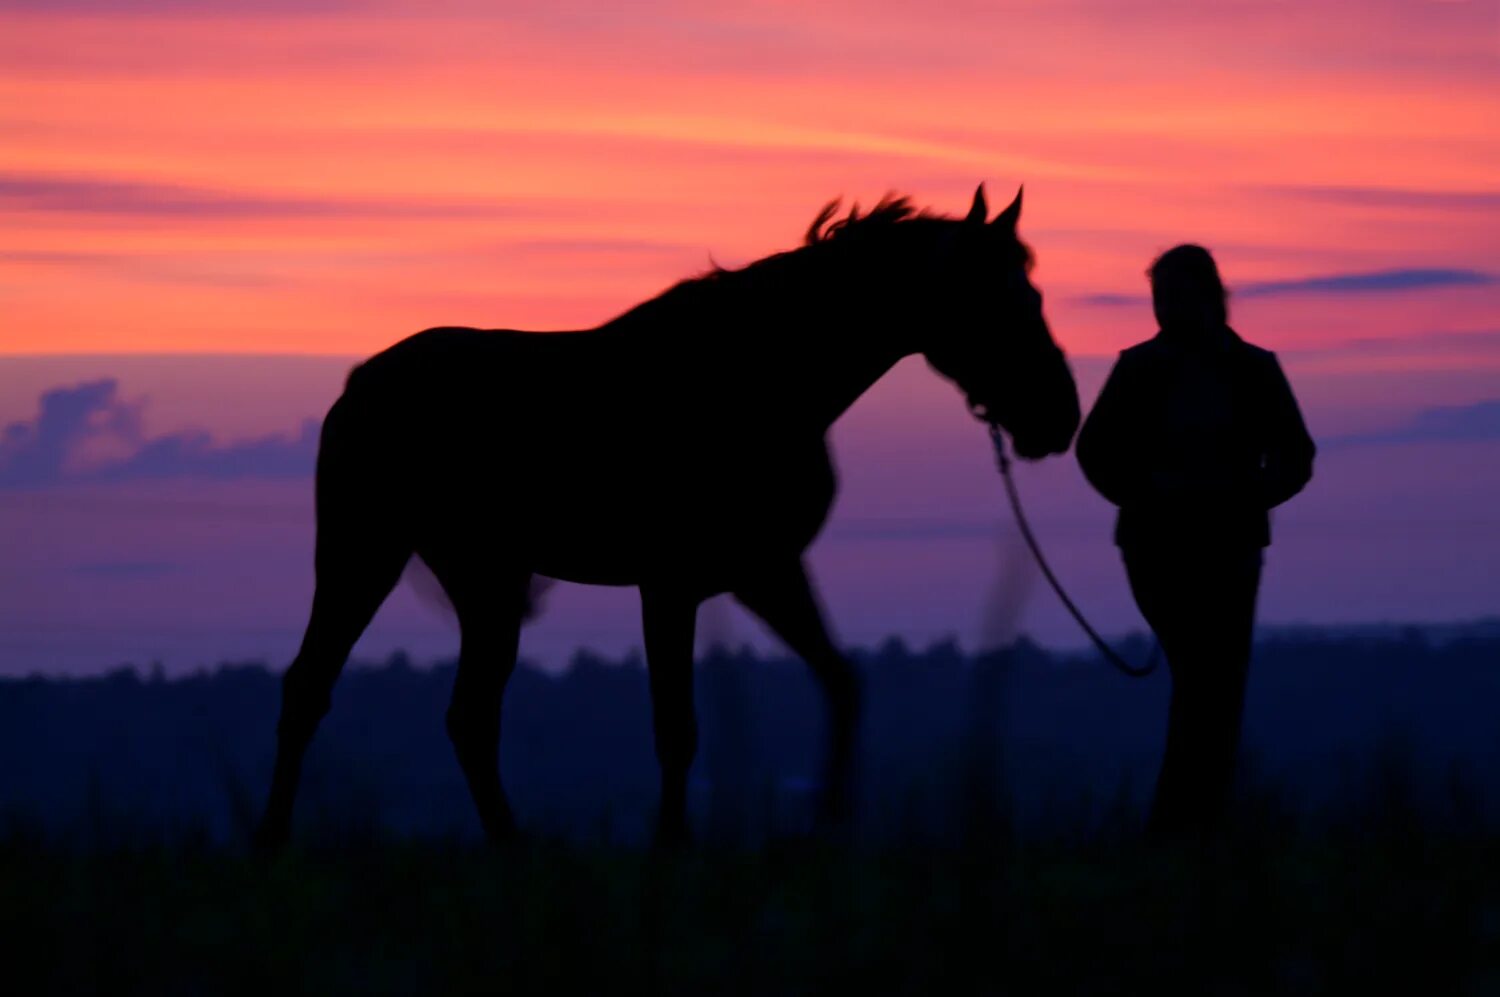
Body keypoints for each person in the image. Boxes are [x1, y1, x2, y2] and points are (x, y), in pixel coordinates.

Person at [1075, 244, 1315, 838]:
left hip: (1230, 551)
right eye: (1159, 300)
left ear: (1208, 297)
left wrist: (1243, 498)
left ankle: (1188, 824)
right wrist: (1148, 496)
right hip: (1158, 551)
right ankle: (1186, 825)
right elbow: (1094, 451)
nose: (1164, 311)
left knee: (1216, 683)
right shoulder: (1138, 368)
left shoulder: (1254, 369)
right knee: (1204, 676)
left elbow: (1297, 457)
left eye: (1173, 298)